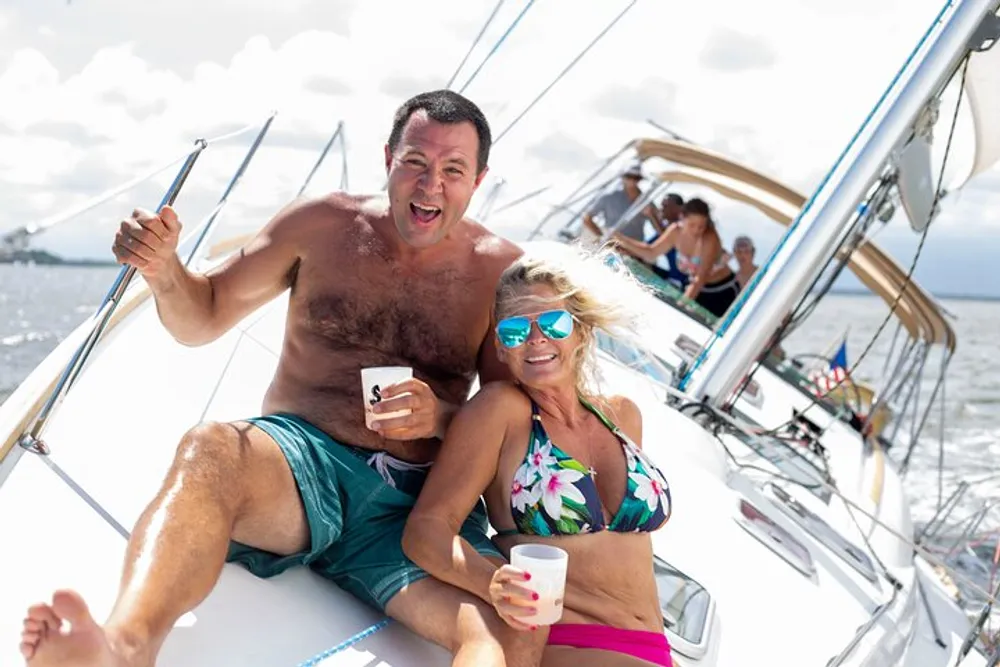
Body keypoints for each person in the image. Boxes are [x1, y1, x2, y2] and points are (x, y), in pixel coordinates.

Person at [18, 90, 540, 667]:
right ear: (388, 157)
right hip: (301, 468)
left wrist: (443, 417)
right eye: (415, 162)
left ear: (479, 179)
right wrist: (164, 270)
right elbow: (206, 314)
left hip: (417, 508)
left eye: (453, 170)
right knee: (211, 448)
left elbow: (510, 425)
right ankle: (122, 650)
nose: (430, 185)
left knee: (502, 633)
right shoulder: (319, 225)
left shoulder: (502, 276)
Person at [402, 247, 674, 666]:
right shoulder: (501, 411)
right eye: (514, 331)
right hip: (569, 639)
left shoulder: (622, 415)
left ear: (581, 331)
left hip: (654, 648)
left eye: (552, 322)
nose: (535, 340)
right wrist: (492, 582)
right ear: (501, 347)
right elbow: (427, 530)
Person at [612, 197, 739, 318]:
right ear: (682, 218)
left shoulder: (709, 237)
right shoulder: (675, 232)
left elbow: (700, 278)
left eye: (701, 226)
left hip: (724, 291)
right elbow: (651, 252)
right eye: (692, 225)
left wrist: (680, 308)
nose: (696, 230)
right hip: (700, 291)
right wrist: (620, 239)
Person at [580, 161, 662, 244]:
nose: (632, 180)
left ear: (640, 179)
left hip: (634, 251)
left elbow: (661, 232)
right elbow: (587, 217)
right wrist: (602, 238)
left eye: (636, 177)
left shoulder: (646, 202)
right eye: (629, 176)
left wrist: (651, 215)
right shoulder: (609, 196)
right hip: (612, 247)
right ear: (623, 176)